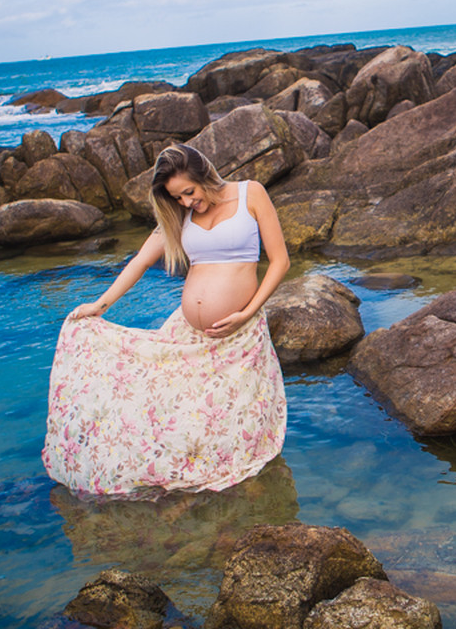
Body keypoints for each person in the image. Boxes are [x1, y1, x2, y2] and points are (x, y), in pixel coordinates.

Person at [42, 143, 289, 498]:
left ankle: (243, 499)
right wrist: (101, 304)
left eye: (189, 192)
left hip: (239, 334)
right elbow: (141, 261)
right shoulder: (179, 216)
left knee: (233, 422)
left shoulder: (251, 193)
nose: (186, 202)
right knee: (169, 413)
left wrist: (247, 312)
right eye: (177, 197)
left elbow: (280, 261)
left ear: (204, 174)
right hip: (189, 334)